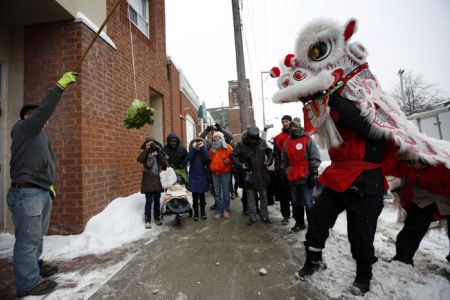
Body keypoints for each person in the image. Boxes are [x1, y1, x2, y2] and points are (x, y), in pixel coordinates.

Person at [297, 94, 388, 296]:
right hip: (337, 176)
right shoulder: (336, 117)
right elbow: (317, 120)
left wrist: (331, 93)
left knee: (361, 233)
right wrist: (311, 98)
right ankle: (313, 261)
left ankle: (364, 275)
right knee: (317, 219)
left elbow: (359, 123)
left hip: (366, 179)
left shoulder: (377, 118)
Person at [6, 71, 77, 297]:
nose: (44, 118)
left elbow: (44, 162)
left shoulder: (39, 137)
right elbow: (46, 108)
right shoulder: (24, 128)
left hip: (39, 191)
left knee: (36, 236)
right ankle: (27, 283)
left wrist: (48, 184)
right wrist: (59, 86)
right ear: (29, 117)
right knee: (27, 240)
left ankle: (34, 267)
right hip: (27, 194)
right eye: (38, 115)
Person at [384, 158, 450, 266]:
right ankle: (403, 257)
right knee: (415, 223)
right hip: (424, 192)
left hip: (447, 191)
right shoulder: (413, 162)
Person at [281, 118, 320, 232]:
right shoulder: (286, 143)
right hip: (292, 176)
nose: (293, 128)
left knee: (308, 201)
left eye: (295, 126)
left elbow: (315, 157)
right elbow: (284, 160)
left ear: (299, 127)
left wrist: (313, 173)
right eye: (291, 127)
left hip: (305, 175)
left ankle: (312, 224)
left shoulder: (308, 140)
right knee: (296, 201)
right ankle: (299, 223)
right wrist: (284, 173)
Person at [231, 125, 273, 225]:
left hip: (262, 174)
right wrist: (241, 165)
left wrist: (269, 160)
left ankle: (265, 216)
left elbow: (270, 152)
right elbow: (233, 155)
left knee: (264, 198)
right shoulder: (241, 145)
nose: (254, 139)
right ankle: (252, 217)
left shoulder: (262, 142)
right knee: (250, 198)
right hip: (249, 175)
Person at [137, 138, 168, 228]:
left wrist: (159, 152)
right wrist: (147, 150)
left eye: (152, 144)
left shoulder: (157, 153)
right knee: (149, 201)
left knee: (157, 201)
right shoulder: (145, 153)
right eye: (148, 144)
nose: (150, 145)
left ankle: (157, 218)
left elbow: (164, 164)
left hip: (157, 180)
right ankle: (147, 219)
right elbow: (140, 159)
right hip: (148, 181)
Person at [273, 115, 294, 225]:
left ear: (291, 122)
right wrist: (278, 168)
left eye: (287, 121)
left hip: (295, 168)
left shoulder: (296, 135)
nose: (285, 123)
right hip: (283, 169)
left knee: (295, 194)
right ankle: (286, 215)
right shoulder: (278, 138)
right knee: (284, 195)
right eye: (283, 121)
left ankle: (297, 216)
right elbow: (276, 154)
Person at [209, 131, 233, 219]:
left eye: (218, 137)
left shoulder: (227, 147)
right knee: (217, 193)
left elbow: (232, 157)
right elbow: (210, 158)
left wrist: (227, 161)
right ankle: (219, 210)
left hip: (225, 173)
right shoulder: (212, 148)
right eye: (215, 137)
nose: (216, 138)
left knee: (226, 193)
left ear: (221, 138)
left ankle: (226, 210)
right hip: (215, 173)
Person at [187, 137, 211, 220]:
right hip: (193, 175)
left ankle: (203, 212)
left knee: (202, 196)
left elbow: (207, 158)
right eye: (196, 143)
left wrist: (202, 148)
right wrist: (193, 149)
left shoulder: (203, 151)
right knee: (195, 196)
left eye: (199, 143)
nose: (197, 145)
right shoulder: (192, 150)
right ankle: (196, 213)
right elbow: (189, 158)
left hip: (202, 175)